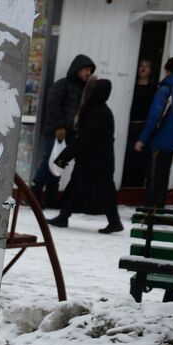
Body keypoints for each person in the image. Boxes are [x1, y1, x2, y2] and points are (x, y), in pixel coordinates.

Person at [48, 76, 123, 233]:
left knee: (102, 190)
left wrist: (64, 157)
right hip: (95, 160)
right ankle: (64, 216)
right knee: (77, 185)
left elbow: (84, 139)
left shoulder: (99, 113)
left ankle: (114, 221)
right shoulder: (98, 111)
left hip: (97, 161)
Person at [32, 53, 96, 208]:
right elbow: (53, 105)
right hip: (57, 132)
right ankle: (34, 194)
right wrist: (59, 127)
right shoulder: (63, 85)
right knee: (50, 161)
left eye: (90, 70)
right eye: (85, 69)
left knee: (59, 164)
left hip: (72, 134)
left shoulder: (86, 89)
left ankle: (51, 199)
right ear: (77, 69)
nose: (88, 73)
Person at [135, 54, 173, 212]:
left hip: (158, 139)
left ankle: (150, 210)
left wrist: (142, 139)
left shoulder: (166, 89)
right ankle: (159, 207)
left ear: (167, 71)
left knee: (153, 176)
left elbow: (155, 117)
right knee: (163, 175)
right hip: (172, 139)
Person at [121, 58, 158, 189]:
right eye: (141, 65)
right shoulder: (130, 85)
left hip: (143, 126)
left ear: (151, 70)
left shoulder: (154, 89)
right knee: (126, 156)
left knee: (140, 157)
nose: (143, 68)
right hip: (129, 125)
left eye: (147, 66)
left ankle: (135, 184)